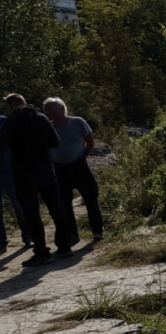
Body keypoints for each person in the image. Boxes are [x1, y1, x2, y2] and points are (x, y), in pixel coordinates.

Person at [0, 94, 73, 265]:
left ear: (10, 106)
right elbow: (55, 141)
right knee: (56, 209)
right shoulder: (41, 117)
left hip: (24, 174)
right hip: (46, 170)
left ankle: (42, 252)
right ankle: (64, 247)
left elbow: (2, 146)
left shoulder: (12, 121)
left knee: (32, 213)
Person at [44, 97, 103, 246]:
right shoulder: (47, 127)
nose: (50, 111)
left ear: (62, 109)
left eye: (53, 108)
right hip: (59, 169)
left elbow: (90, 141)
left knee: (91, 199)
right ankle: (73, 235)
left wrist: (83, 156)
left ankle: (97, 231)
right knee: (64, 204)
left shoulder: (77, 122)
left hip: (79, 167)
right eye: (47, 109)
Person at [0, 115, 33, 251]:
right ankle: (2, 242)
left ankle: (28, 236)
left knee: (19, 205)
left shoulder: (4, 121)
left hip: (10, 169)